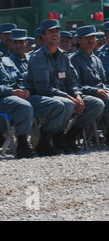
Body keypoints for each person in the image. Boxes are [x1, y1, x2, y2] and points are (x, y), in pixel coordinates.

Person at [0, 27, 71, 159]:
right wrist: (12, 92)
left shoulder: (5, 59)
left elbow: (20, 78)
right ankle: (22, 144)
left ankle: (45, 142)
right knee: (23, 106)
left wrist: (25, 90)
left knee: (58, 105)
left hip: (19, 95)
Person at [27, 20, 104, 155]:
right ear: (43, 36)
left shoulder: (63, 56)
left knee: (96, 104)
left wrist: (77, 95)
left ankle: (70, 136)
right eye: (51, 32)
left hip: (63, 96)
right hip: (41, 97)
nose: (55, 34)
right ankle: (47, 141)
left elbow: (72, 80)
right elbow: (43, 88)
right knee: (67, 104)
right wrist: (68, 97)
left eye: (57, 31)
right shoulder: (38, 57)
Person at [69, 25, 108, 147]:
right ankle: (73, 133)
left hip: (102, 91)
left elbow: (103, 81)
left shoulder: (96, 59)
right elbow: (75, 85)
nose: (91, 40)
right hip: (85, 95)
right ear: (79, 40)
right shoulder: (74, 59)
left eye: (93, 37)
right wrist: (95, 91)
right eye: (87, 38)